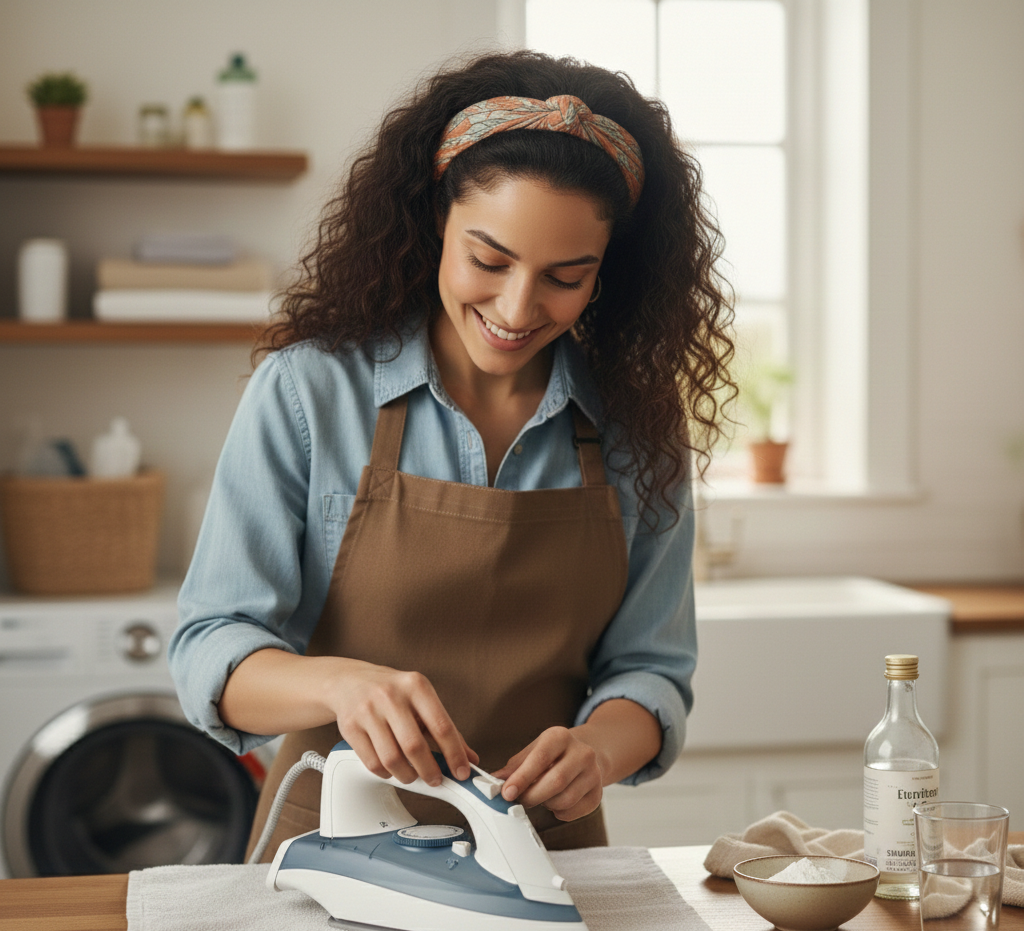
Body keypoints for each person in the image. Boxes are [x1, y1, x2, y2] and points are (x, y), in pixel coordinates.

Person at [169, 48, 734, 857]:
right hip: (326, 845)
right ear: (437, 219)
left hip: (546, 854)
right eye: (489, 259)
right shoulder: (309, 393)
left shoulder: (638, 427)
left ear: (609, 270)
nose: (516, 307)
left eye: (565, 277)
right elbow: (210, 649)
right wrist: (342, 682)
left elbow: (650, 671)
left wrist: (600, 750)